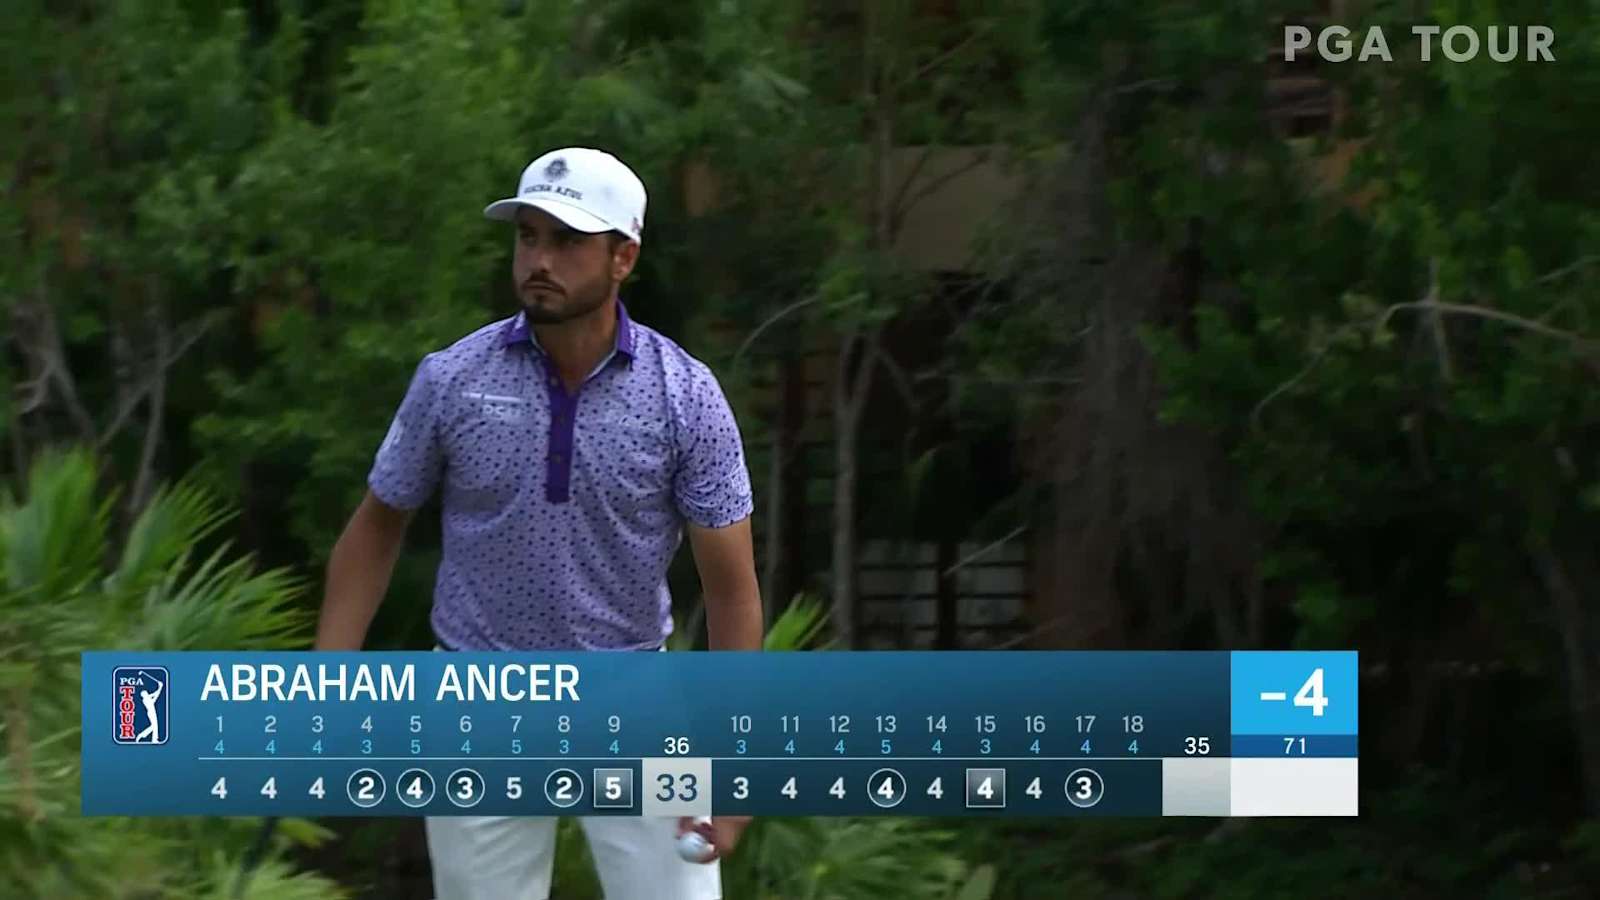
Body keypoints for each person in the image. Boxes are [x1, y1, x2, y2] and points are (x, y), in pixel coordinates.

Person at [314, 146, 762, 900]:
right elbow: (376, 526)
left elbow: (732, 590)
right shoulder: (453, 379)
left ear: (624, 257)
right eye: (528, 237)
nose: (539, 260)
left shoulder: (686, 395)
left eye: (566, 241)